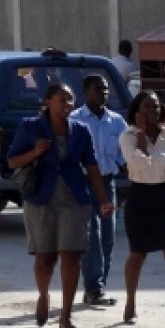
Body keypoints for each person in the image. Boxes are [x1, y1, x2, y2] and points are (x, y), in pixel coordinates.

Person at [7, 83, 115, 328]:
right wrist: (35, 152)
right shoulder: (30, 126)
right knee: (45, 259)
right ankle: (44, 296)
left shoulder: (81, 130)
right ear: (48, 102)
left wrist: (103, 199)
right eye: (61, 100)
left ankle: (66, 316)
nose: (66, 105)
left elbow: (92, 167)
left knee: (72, 256)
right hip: (41, 199)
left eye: (70, 100)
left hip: (74, 198)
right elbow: (12, 161)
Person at [118, 91, 165, 328]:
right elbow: (140, 163)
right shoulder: (127, 136)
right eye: (146, 108)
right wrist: (141, 134)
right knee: (138, 255)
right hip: (140, 199)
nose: (153, 113)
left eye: (156, 108)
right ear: (136, 112)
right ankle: (130, 302)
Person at [71, 74, 128, 307]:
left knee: (108, 236)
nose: (103, 93)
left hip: (107, 183)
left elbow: (125, 152)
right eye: (98, 89)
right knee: (91, 236)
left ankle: (98, 286)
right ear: (86, 93)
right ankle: (94, 287)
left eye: (105, 90)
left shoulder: (116, 121)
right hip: (84, 184)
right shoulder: (75, 120)